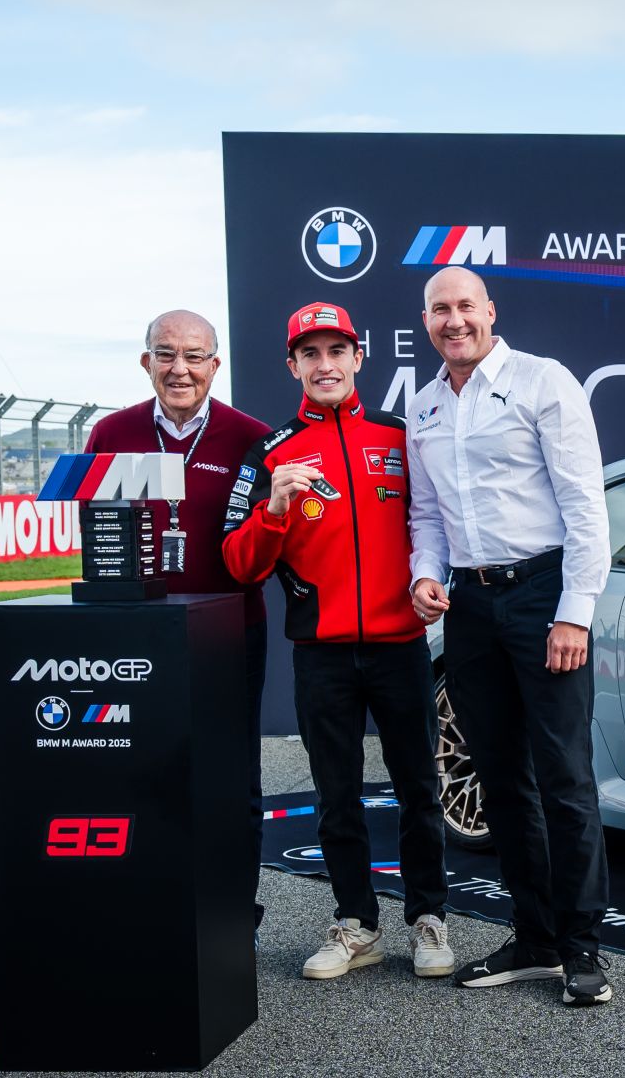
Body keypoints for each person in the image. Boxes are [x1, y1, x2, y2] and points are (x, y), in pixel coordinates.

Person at [221, 301, 452, 981]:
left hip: (401, 644)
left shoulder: (401, 436)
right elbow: (239, 565)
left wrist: (431, 583)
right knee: (336, 794)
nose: (325, 365)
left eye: (336, 351)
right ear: (292, 365)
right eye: (310, 354)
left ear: (359, 358)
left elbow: (441, 525)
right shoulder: (271, 452)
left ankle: (429, 918)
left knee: (419, 788)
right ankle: (357, 923)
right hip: (321, 652)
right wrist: (274, 508)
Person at [404, 266, 613, 1005]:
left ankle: (581, 946)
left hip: (543, 595)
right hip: (469, 604)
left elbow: (585, 505)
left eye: (466, 305)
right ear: (426, 321)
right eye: (440, 309)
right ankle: (534, 938)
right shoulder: (425, 406)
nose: (454, 320)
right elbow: (426, 516)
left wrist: (574, 611)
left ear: (490, 311)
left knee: (564, 777)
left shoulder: (541, 380)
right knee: (500, 780)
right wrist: (424, 575)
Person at [82, 309, 272, 928]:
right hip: (133, 639)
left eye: (194, 356)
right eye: (166, 354)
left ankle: (233, 913)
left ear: (215, 365)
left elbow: (265, 542)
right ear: (146, 362)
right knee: (139, 770)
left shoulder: (252, 437)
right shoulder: (111, 432)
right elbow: (95, 539)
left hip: (228, 636)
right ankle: (147, 904)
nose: (180, 369)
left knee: (232, 777)